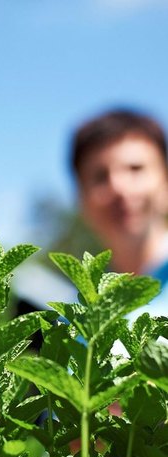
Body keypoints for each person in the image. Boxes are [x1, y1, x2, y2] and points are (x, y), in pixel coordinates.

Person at [70, 108, 168, 352]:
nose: (119, 187)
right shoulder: (77, 320)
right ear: (81, 199)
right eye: (100, 176)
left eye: (135, 169)